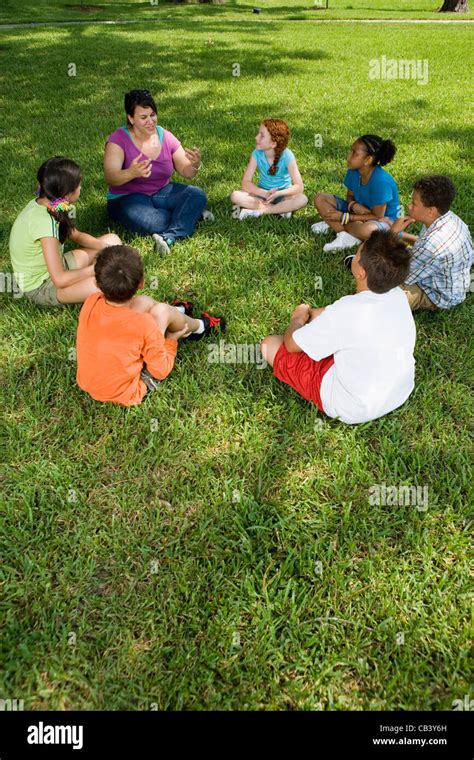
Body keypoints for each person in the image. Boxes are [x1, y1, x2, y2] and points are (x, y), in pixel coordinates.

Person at [260, 231, 416, 425]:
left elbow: (291, 344)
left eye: (357, 254)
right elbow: (333, 315)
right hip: (398, 391)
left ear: (361, 272)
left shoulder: (346, 312)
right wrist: (315, 315)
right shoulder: (398, 296)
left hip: (350, 406)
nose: (355, 255)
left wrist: (298, 319)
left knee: (269, 344)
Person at [76, 245, 225, 406]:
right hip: (126, 392)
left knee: (144, 302)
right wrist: (171, 340)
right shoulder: (144, 324)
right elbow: (160, 370)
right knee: (162, 311)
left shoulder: (91, 301)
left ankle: (178, 311)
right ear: (141, 283)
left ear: (97, 284)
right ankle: (198, 328)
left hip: (89, 383)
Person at [104, 89, 211, 256]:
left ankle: (169, 236)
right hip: (127, 197)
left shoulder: (165, 136)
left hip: (161, 192)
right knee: (153, 222)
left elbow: (186, 171)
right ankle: (188, 216)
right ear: (131, 118)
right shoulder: (118, 139)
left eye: (152, 115)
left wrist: (195, 164)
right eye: (143, 117)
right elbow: (110, 177)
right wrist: (131, 172)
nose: (150, 121)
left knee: (196, 195)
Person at [9, 156, 120, 307]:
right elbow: (59, 279)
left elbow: (77, 235)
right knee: (106, 283)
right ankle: (97, 274)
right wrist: (96, 269)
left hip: (57, 267)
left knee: (113, 240)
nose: (81, 188)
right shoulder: (45, 224)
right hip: (42, 287)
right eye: (79, 185)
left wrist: (106, 248)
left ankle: (98, 270)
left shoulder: (51, 203)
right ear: (67, 194)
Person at [390, 175, 473, 311]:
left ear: (431, 211)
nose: (409, 205)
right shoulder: (449, 218)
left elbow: (403, 276)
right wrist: (402, 236)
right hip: (454, 281)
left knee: (383, 290)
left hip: (438, 294)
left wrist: (391, 235)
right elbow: (423, 246)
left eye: (414, 203)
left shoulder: (434, 245)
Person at [312, 134, 401, 252]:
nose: (349, 156)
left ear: (368, 160)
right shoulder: (353, 171)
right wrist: (353, 205)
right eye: (350, 151)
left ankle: (336, 226)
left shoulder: (381, 182)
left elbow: (377, 216)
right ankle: (347, 235)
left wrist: (345, 217)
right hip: (357, 213)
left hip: (382, 222)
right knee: (320, 198)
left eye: (354, 153)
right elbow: (349, 196)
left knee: (368, 231)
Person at [230, 118, 307, 220]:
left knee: (302, 199)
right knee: (235, 196)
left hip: (284, 196)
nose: (256, 137)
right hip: (262, 195)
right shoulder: (256, 154)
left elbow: (299, 187)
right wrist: (265, 193)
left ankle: (260, 212)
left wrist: (278, 193)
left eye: (262, 135)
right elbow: (245, 183)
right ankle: (281, 210)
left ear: (273, 143)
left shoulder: (287, 156)